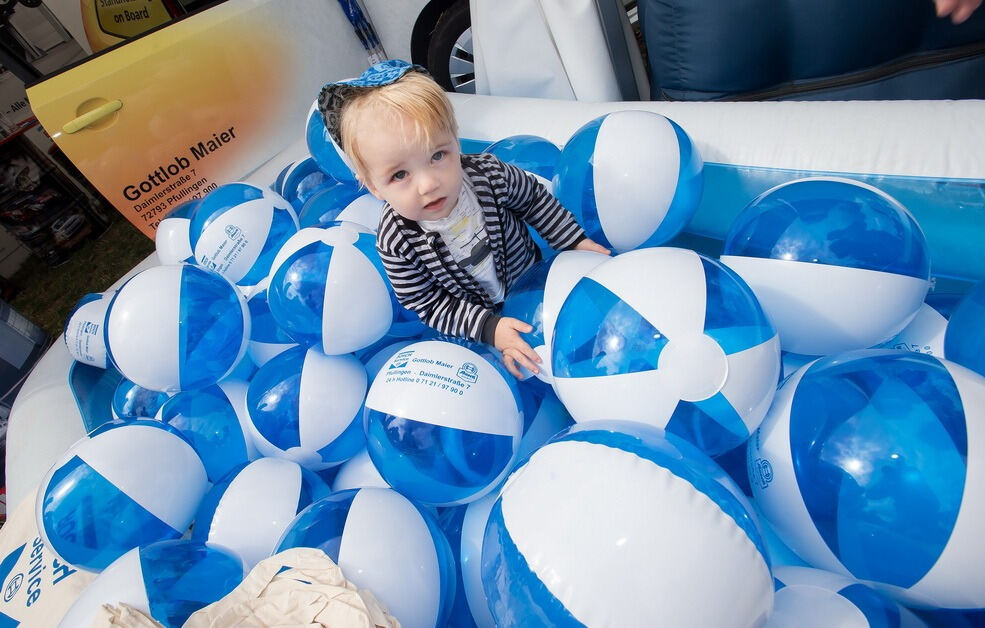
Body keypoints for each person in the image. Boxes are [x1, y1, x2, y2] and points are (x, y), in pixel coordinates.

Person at [318, 60, 609, 377]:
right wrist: (490, 330)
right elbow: (428, 303)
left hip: (534, 285)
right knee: (515, 373)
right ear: (374, 186)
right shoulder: (395, 241)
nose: (428, 184)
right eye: (400, 174)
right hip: (473, 322)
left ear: (456, 142)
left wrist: (574, 241)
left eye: (437, 156)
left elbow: (535, 202)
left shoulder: (488, 174)